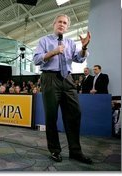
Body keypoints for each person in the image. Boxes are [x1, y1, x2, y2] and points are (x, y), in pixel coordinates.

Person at [33, 14, 92, 164]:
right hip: (50, 78)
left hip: (67, 79)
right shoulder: (44, 40)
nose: (62, 24)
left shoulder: (70, 42)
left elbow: (79, 58)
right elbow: (36, 59)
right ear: (54, 23)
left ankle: (75, 151)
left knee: (75, 113)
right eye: (59, 21)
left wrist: (84, 48)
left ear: (67, 27)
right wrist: (53, 52)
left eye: (65, 23)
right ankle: (54, 150)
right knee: (51, 116)